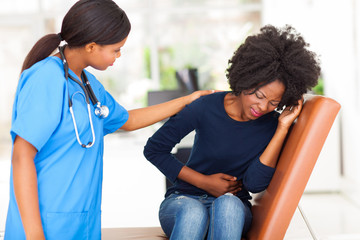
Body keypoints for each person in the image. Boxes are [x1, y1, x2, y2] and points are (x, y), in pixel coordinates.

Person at [4, 1, 215, 239]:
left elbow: (129, 120)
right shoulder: (46, 78)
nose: (119, 55)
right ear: (92, 46)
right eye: (116, 49)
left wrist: (187, 100)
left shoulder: (89, 84)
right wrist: (34, 236)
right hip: (43, 225)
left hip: (81, 223)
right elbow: (22, 156)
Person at [143, 24, 321, 240]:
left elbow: (254, 184)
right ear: (245, 79)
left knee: (228, 203)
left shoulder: (272, 125)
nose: (263, 107)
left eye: (274, 102)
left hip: (233, 207)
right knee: (193, 213)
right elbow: (154, 149)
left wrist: (282, 128)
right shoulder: (205, 106)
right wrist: (204, 182)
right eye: (259, 95)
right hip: (183, 199)